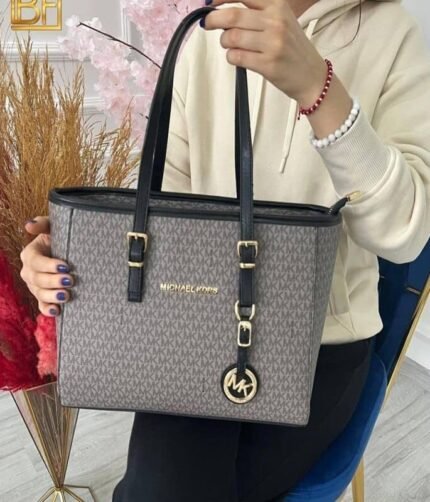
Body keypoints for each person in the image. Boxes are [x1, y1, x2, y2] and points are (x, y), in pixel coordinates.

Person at [19, 0, 430, 501]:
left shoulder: (393, 34)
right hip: (195, 328)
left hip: (318, 346)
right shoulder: (209, 36)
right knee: (162, 487)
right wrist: (78, 250)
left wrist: (317, 89)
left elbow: (405, 235)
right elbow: (165, 208)